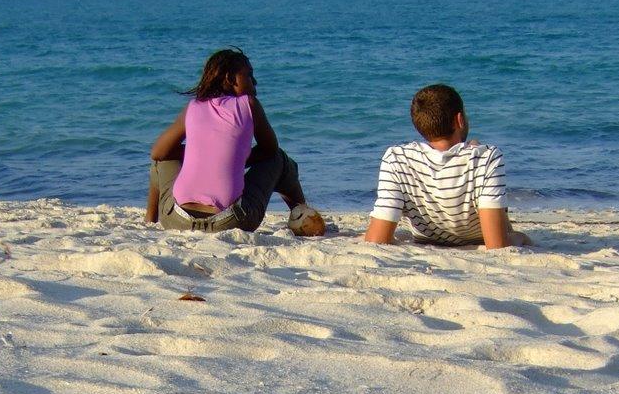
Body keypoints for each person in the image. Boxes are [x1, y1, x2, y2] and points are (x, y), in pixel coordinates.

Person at [146, 49, 325, 235]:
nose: (255, 81)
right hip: (230, 221)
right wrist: (237, 159)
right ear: (230, 79)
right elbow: (270, 149)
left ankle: (149, 221)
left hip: (176, 220)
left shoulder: (194, 106)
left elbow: (158, 152)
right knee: (280, 159)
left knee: (162, 159)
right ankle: (303, 217)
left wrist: (206, 155)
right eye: (249, 75)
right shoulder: (249, 104)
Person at [363, 84, 529, 250]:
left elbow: (377, 239)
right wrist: (521, 238)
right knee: (519, 236)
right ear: (460, 119)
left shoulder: (397, 158)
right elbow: (496, 246)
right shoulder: (487, 157)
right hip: (477, 238)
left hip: (426, 239)